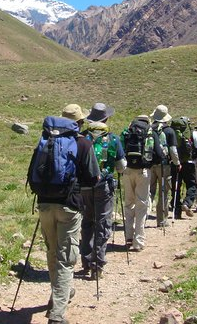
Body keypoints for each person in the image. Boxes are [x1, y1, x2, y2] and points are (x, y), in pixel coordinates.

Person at [34, 104, 100, 324]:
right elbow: (92, 178)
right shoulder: (83, 143)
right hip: (69, 207)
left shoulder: (46, 141)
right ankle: (58, 315)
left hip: (44, 204)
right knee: (66, 259)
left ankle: (59, 294)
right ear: (79, 122)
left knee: (53, 252)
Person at [79, 103, 126, 279]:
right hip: (104, 186)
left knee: (87, 222)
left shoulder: (82, 137)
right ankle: (97, 264)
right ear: (106, 119)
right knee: (103, 223)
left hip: (83, 187)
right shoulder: (113, 139)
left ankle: (85, 259)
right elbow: (121, 166)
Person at [121, 114, 153, 251]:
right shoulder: (149, 133)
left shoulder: (126, 132)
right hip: (143, 171)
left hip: (127, 170)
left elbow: (120, 151)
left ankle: (128, 236)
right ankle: (138, 240)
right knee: (141, 205)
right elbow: (155, 152)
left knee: (128, 203)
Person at [148, 105, 180, 228]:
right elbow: (173, 150)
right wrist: (177, 163)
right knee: (163, 192)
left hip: (150, 164)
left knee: (149, 191)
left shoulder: (150, 129)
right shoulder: (169, 131)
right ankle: (161, 220)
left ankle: (144, 214)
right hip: (164, 165)